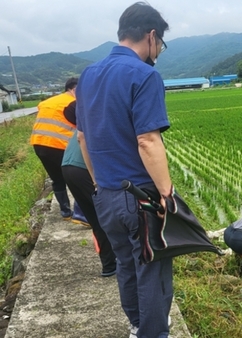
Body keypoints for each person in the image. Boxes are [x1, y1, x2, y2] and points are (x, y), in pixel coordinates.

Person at [75, 3, 172, 337]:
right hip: (139, 198)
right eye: (160, 43)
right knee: (152, 271)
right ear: (151, 36)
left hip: (106, 195)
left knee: (126, 268)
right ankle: (152, 333)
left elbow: (83, 138)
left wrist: (99, 186)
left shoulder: (88, 75)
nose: (158, 50)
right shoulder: (144, 75)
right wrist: (166, 194)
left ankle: (136, 326)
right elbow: (147, 140)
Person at [61, 112, 117, 277]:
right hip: (83, 167)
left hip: (67, 166)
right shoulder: (109, 117)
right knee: (109, 216)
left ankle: (109, 266)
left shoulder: (93, 115)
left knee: (96, 218)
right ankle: (121, 262)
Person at [30, 78, 79, 220]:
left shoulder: (49, 102)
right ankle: (81, 214)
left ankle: (65, 212)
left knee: (57, 178)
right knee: (75, 177)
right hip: (59, 145)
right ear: (74, 89)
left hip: (39, 144)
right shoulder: (72, 103)